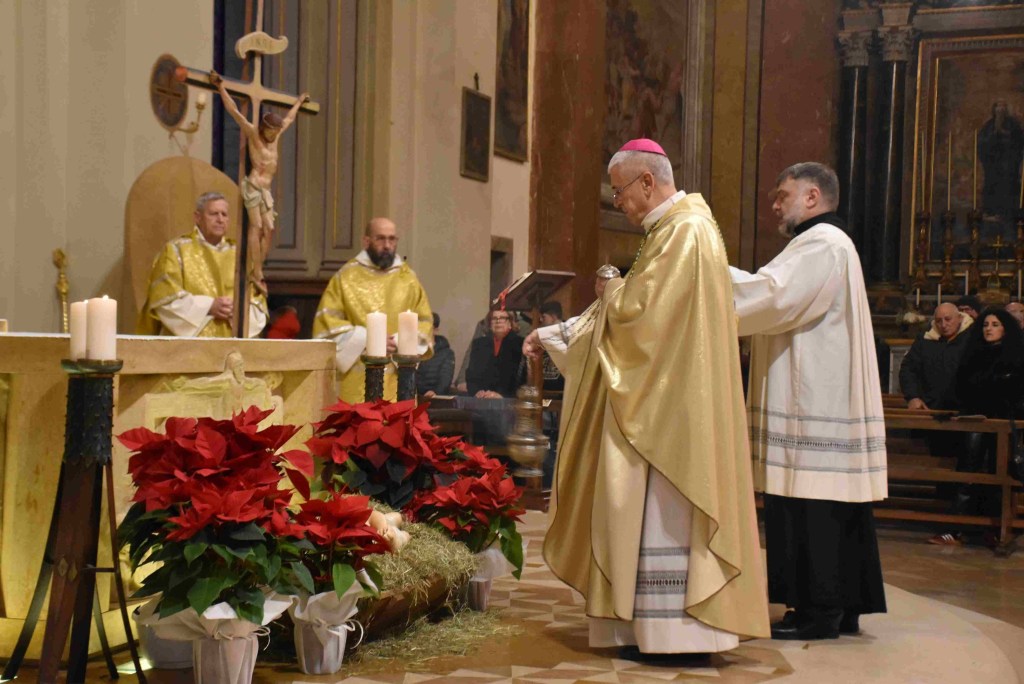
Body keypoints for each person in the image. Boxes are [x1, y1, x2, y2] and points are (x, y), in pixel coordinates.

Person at [525, 138, 768, 655]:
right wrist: (564, 330)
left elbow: (641, 318)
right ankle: (652, 629)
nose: (618, 202)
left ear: (647, 182)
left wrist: (611, 288)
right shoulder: (678, 230)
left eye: (620, 191)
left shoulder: (684, 232)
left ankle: (678, 634)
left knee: (664, 515)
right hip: (666, 399)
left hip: (670, 412)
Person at [730, 162, 887, 640]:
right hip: (821, 398)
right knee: (829, 506)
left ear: (813, 196)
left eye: (783, 194)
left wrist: (702, 273)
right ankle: (840, 604)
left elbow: (773, 297)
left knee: (812, 504)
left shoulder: (821, 244)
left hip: (812, 402)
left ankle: (820, 612)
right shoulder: (825, 244)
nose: (775, 204)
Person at [312, 217, 433, 402]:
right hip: (355, 380)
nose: (387, 245)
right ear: (366, 241)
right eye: (380, 238)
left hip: (397, 379)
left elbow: (425, 322)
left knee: (398, 428)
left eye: (392, 239)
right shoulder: (346, 277)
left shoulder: (408, 279)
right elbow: (326, 327)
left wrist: (400, 341)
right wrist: (367, 340)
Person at [930, 307, 1024, 545]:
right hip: (975, 425)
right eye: (985, 325)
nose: (988, 329)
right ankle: (957, 529)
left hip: (1003, 427)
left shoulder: (1017, 354)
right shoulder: (974, 353)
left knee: (998, 477)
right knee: (967, 476)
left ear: (1005, 328)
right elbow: (960, 389)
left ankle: (995, 529)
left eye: (995, 325)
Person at [211, 70, 309, 292]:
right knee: (256, 227)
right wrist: (220, 88)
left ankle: (258, 266)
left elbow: (289, 118)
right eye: (270, 132)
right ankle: (256, 272)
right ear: (264, 128)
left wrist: (300, 101)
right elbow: (234, 112)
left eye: (276, 132)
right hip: (253, 186)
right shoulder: (254, 134)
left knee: (270, 228)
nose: (273, 135)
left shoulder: (276, 136)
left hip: (266, 190)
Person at [137, 192, 267, 338]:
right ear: (197, 217)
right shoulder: (176, 250)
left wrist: (237, 310)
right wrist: (209, 306)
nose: (220, 219)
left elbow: (258, 302)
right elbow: (165, 300)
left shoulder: (241, 255)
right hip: (188, 349)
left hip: (232, 342)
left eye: (224, 214)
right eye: (213, 214)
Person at [899, 302, 972, 410]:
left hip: (964, 409)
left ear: (960, 318)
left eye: (948, 319)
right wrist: (912, 397)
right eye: (938, 321)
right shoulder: (925, 340)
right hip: (929, 408)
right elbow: (908, 369)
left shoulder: (972, 339)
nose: (943, 325)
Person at [978, 99, 1024, 217]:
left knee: (1008, 187)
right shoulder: (989, 126)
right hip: (993, 165)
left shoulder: (1013, 125)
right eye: (998, 107)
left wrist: (1004, 135)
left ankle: (1008, 213)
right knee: (992, 186)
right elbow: (982, 142)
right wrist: (994, 135)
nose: (1000, 110)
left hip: (1009, 165)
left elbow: (1019, 142)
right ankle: (991, 211)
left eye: (1003, 107)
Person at [465, 309, 524, 398]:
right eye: (494, 318)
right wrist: (477, 392)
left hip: (510, 400)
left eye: (503, 318)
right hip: (481, 398)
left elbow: (522, 378)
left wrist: (501, 396)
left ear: (510, 322)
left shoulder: (521, 344)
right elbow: (471, 375)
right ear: (489, 323)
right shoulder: (479, 344)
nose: (498, 321)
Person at [417, 312, 455, 397]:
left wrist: (435, 392)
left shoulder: (446, 353)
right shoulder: (412, 350)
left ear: (435, 330)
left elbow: (445, 379)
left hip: (434, 399)